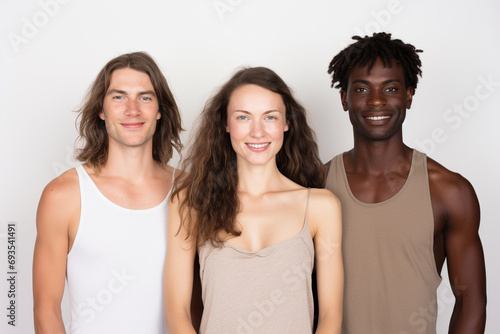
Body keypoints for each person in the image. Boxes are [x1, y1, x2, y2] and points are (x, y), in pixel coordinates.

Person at [324, 32, 487, 333]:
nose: (376, 101)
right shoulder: (314, 187)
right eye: (362, 89)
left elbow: (470, 300)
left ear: (408, 95)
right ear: (344, 98)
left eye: (390, 88)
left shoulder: (449, 191)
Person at [164, 66, 343, 333]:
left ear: (286, 123)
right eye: (243, 117)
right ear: (225, 124)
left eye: (270, 117)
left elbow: (330, 316)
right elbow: (176, 313)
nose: (257, 132)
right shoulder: (191, 202)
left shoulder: (321, 206)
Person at [33, 52, 183, 333]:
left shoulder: (187, 191)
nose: (132, 109)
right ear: (101, 110)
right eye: (118, 97)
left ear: (160, 110)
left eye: (145, 97)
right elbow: (46, 310)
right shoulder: (63, 195)